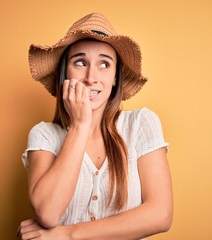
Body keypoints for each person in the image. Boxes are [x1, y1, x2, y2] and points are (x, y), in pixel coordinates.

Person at [17, 13, 173, 240]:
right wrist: (80, 125)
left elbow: (161, 214)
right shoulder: (44, 135)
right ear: (65, 74)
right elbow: (47, 213)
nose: (91, 77)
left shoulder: (141, 124)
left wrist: (68, 234)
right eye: (80, 62)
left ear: (115, 79)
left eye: (104, 64)